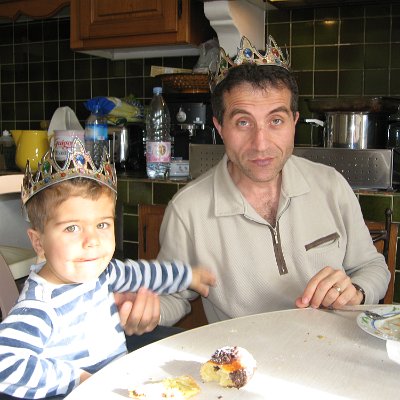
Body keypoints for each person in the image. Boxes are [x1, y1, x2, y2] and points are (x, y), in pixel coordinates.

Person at [143, 35, 390, 326]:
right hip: (242, 353)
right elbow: (171, 298)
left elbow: (372, 266)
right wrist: (143, 311)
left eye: (276, 121)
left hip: (332, 345)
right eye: (243, 122)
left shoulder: (331, 186)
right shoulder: (187, 210)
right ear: (220, 127)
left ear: (294, 122)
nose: (261, 144)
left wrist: (357, 290)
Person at [0, 139, 215, 399]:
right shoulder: (40, 307)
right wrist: (77, 379)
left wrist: (188, 276)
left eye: (102, 225)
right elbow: (5, 364)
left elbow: (144, 274)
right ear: (38, 242)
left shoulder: (103, 273)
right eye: (72, 228)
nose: (92, 241)